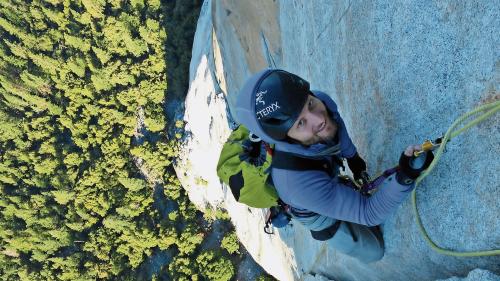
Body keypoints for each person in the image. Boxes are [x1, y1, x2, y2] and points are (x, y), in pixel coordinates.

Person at [235, 69, 434, 263]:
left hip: (319, 172)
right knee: (374, 252)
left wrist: (353, 158)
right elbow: (368, 213)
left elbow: (336, 128)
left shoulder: (321, 102)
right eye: (301, 123)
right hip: (314, 211)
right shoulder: (297, 184)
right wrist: (405, 176)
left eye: (310, 103)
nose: (319, 118)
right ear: (286, 138)